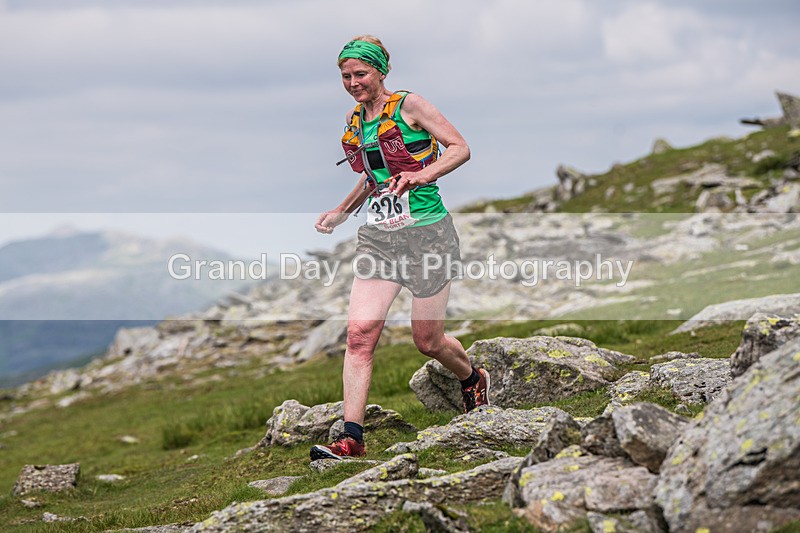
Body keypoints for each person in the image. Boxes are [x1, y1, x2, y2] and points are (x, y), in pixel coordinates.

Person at [311, 35, 489, 460]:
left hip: (428, 232)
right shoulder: (356, 121)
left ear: (380, 72)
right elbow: (374, 176)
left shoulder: (410, 105)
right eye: (346, 76)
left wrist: (422, 175)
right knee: (359, 335)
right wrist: (342, 209)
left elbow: (460, 148)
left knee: (427, 340)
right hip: (380, 237)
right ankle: (351, 438)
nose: (353, 83)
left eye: (361, 74)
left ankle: (473, 378)